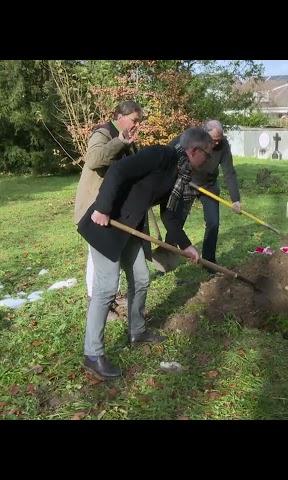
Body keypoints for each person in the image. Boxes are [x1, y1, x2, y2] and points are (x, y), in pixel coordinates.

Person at [76, 127, 213, 379]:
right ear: (194, 151)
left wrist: (187, 245)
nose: (209, 160)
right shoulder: (161, 156)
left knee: (141, 278)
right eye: (208, 154)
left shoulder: (180, 173)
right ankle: (92, 354)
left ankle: (137, 331)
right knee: (106, 287)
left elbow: (169, 214)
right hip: (106, 223)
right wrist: (104, 208)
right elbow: (118, 170)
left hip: (131, 228)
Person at [73, 100, 144, 316]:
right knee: (98, 256)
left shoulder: (128, 139)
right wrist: (121, 141)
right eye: (134, 120)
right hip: (94, 208)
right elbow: (93, 160)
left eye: (138, 122)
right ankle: (97, 301)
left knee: (109, 254)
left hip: (113, 208)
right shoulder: (103, 133)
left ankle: (108, 299)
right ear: (120, 117)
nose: (136, 125)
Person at [168, 119, 241, 265]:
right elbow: (169, 152)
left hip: (209, 186)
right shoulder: (192, 137)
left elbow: (229, 172)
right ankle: (168, 255)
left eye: (218, 141)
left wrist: (235, 199)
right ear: (204, 133)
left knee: (213, 223)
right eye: (213, 140)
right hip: (187, 183)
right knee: (176, 220)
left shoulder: (223, 145)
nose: (215, 144)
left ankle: (209, 261)